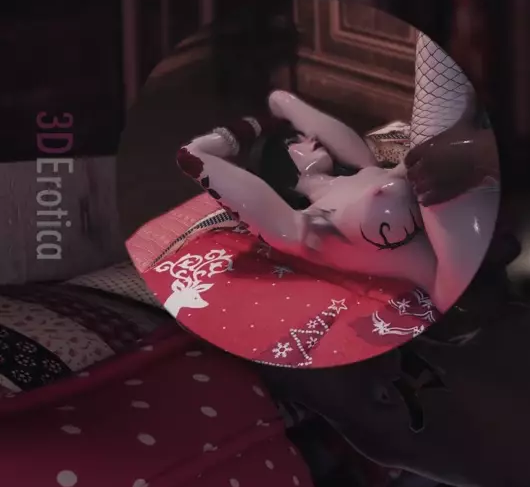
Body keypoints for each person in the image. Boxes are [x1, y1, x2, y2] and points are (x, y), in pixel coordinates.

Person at [173, 38, 500, 313]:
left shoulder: (364, 170)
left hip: (483, 222)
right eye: (294, 141)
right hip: (459, 278)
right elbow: (192, 156)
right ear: (279, 169)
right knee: (435, 56)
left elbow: (283, 102)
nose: (309, 138)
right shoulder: (311, 226)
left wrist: (275, 110)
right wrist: (240, 134)